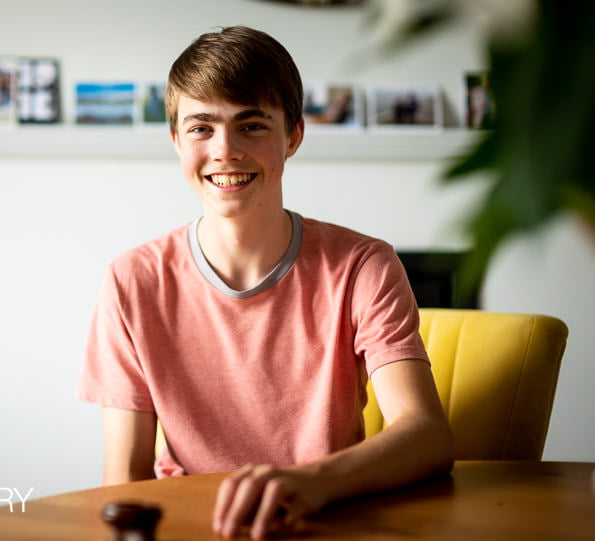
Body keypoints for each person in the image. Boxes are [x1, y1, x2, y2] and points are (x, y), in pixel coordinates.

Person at [76, 25, 453, 540]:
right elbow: (123, 478)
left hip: (325, 516)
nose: (224, 150)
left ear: (293, 136)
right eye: (201, 128)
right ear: (175, 140)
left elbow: (426, 434)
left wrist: (309, 482)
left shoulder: (364, 264)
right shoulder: (131, 281)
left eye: (251, 125)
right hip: (189, 524)